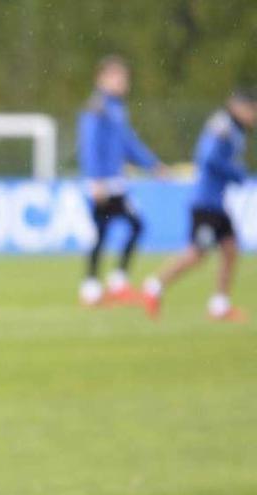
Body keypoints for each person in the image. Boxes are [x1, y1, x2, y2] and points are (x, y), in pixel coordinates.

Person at [142, 89, 256, 322]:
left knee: (231, 249)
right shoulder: (222, 126)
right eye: (252, 110)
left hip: (217, 203)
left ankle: (220, 305)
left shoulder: (234, 130)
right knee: (197, 254)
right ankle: (153, 286)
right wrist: (236, 174)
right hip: (205, 202)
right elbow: (208, 158)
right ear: (239, 107)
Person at [77, 55, 167, 306]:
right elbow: (90, 145)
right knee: (123, 227)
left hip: (115, 182)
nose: (122, 81)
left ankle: (98, 286)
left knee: (111, 230)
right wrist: (95, 180)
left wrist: (152, 165)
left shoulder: (116, 107)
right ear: (101, 79)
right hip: (103, 183)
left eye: (123, 77)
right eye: (116, 76)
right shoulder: (97, 107)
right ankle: (104, 284)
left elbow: (128, 144)